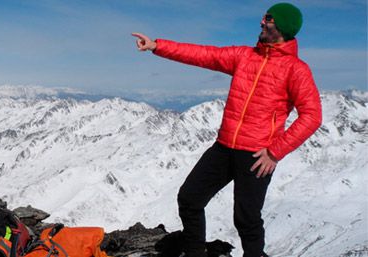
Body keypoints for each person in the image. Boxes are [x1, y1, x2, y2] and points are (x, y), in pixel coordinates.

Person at [132, 3, 322, 257]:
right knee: (189, 199)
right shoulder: (245, 56)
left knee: (247, 219)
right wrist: (158, 45)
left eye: (267, 18)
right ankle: (195, 253)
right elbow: (204, 54)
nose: (261, 23)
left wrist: (275, 152)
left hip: (256, 155)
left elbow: (312, 116)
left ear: (282, 26)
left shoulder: (296, 70)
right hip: (224, 147)